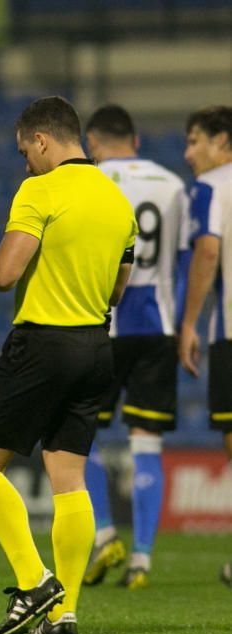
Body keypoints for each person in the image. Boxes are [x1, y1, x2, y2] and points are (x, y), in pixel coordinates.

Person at [0, 96, 138, 634]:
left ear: (42, 140)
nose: (24, 163)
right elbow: (117, 287)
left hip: (42, 343)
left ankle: (34, 581)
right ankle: (65, 615)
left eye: (24, 151)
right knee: (69, 481)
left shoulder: (40, 190)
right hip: (95, 346)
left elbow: (8, 273)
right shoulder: (117, 201)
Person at [80, 105, 190, 591]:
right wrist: (185, 323)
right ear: (137, 140)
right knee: (147, 442)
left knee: (78, 431)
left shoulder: (92, 180)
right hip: (159, 325)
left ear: (93, 143)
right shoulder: (173, 185)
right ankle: (142, 558)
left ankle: (105, 536)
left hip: (105, 321)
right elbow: (188, 262)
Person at [177, 105, 232, 587]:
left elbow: (208, 250)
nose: (188, 152)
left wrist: (190, 322)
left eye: (196, 141)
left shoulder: (213, 187)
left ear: (222, 142)